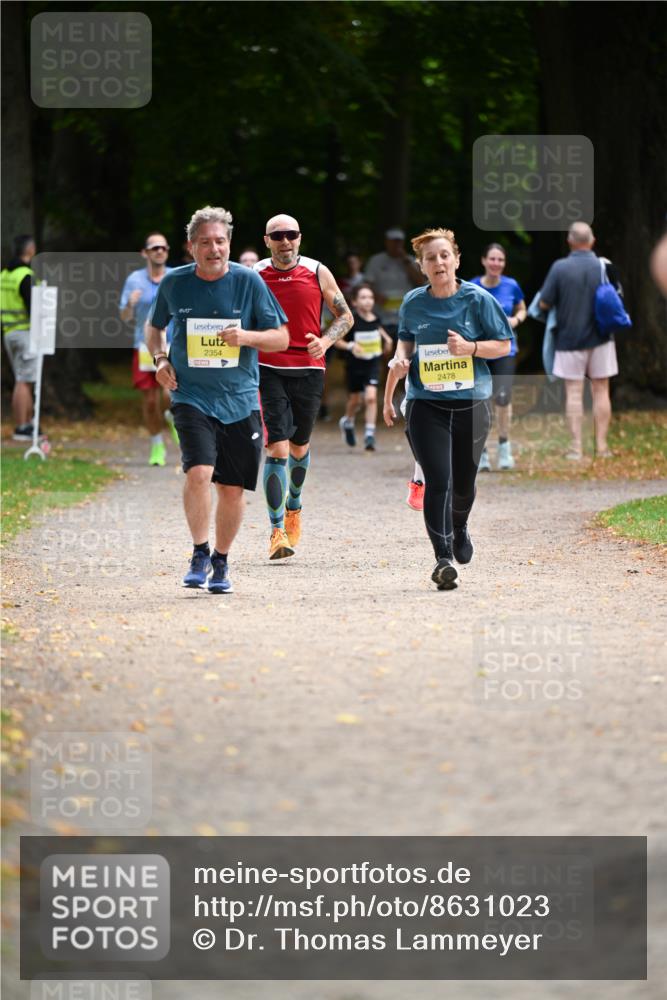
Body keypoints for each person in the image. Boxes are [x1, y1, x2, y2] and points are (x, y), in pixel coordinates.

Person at [145, 206, 288, 593]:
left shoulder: (249, 283)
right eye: (205, 242)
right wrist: (160, 359)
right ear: (191, 247)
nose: (214, 249)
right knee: (199, 473)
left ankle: (221, 561)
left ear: (229, 244)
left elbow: (282, 338)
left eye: (220, 241)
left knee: (231, 488)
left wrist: (247, 338)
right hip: (191, 395)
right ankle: (199, 552)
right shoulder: (175, 283)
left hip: (240, 400)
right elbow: (154, 326)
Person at [383, 227, 512, 591]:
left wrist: (470, 349)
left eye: (444, 255)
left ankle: (459, 526)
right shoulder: (413, 302)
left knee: (464, 486)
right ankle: (442, 560)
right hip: (427, 404)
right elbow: (404, 343)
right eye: (430, 258)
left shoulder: (478, 299)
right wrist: (399, 360)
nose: (438, 262)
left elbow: (502, 345)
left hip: (471, 405)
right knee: (438, 481)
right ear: (422, 267)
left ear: (456, 259)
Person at [255, 213, 353, 559]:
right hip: (269, 367)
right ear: (267, 240)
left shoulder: (316, 270)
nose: (285, 241)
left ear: (300, 237)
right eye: (277, 235)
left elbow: (345, 316)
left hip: (310, 368)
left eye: (291, 234)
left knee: (299, 447)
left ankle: (294, 505)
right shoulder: (255, 275)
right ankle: (276, 530)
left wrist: (325, 343)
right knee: (277, 448)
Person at [539, 222, 621, 460]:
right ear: (592, 240)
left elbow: (544, 303)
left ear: (570, 241)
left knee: (574, 393)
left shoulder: (559, 268)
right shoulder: (604, 266)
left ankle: (576, 448)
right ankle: (603, 447)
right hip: (602, 338)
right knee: (601, 390)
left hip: (568, 339)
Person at [120, 233, 176, 466]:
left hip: (172, 344)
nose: (159, 251)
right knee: (150, 401)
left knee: (168, 395)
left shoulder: (175, 277)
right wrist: (131, 304)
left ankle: (171, 417)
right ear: (145, 253)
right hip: (143, 345)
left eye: (163, 247)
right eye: (154, 248)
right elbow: (124, 316)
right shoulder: (134, 280)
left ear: (167, 251)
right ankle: (156, 445)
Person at [469, 244, 527, 470]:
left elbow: (522, 308)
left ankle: (504, 447)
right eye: (492, 259)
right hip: (480, 350)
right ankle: (481, 451)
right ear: (484, 261)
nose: (496, 263)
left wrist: (516, 320)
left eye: (500, 260)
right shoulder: (472, 286)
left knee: (502, 399)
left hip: (505, 349)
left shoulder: (511, 285)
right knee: (479, 400)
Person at [336, 283, 392, 450]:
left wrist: (388, 340)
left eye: (370, 297)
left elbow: (379, 330)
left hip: (372, 364)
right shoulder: (349, 320)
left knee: (371, 397)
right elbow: (336, 340)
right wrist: (351, 346)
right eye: (363, 297)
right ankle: (347, 421)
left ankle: (369, 435)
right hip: (354, 366)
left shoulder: (376, 318)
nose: (368, 301)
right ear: (354, 302)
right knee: (355, 400)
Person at [1, 234, 39, 440]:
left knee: (21, 379)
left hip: (9, 332)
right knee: (25, 380)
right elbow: (34, 307)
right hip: (25, 333)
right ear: (30, 250)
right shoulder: (25, 275)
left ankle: (27, 423)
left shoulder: (4, 275)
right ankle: (23, 425)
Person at [365, 227, 424, 339]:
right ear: (386, 242)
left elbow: (420, 282)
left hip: (405, 316)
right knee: (385, 348)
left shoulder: (410, 260)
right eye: (393, 241)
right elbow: (367, 284)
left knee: (404, 350)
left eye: (399, 241)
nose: (396, 245)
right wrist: (375, 295)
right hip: (381, 315)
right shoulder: (376, 260)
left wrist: (405, 261)